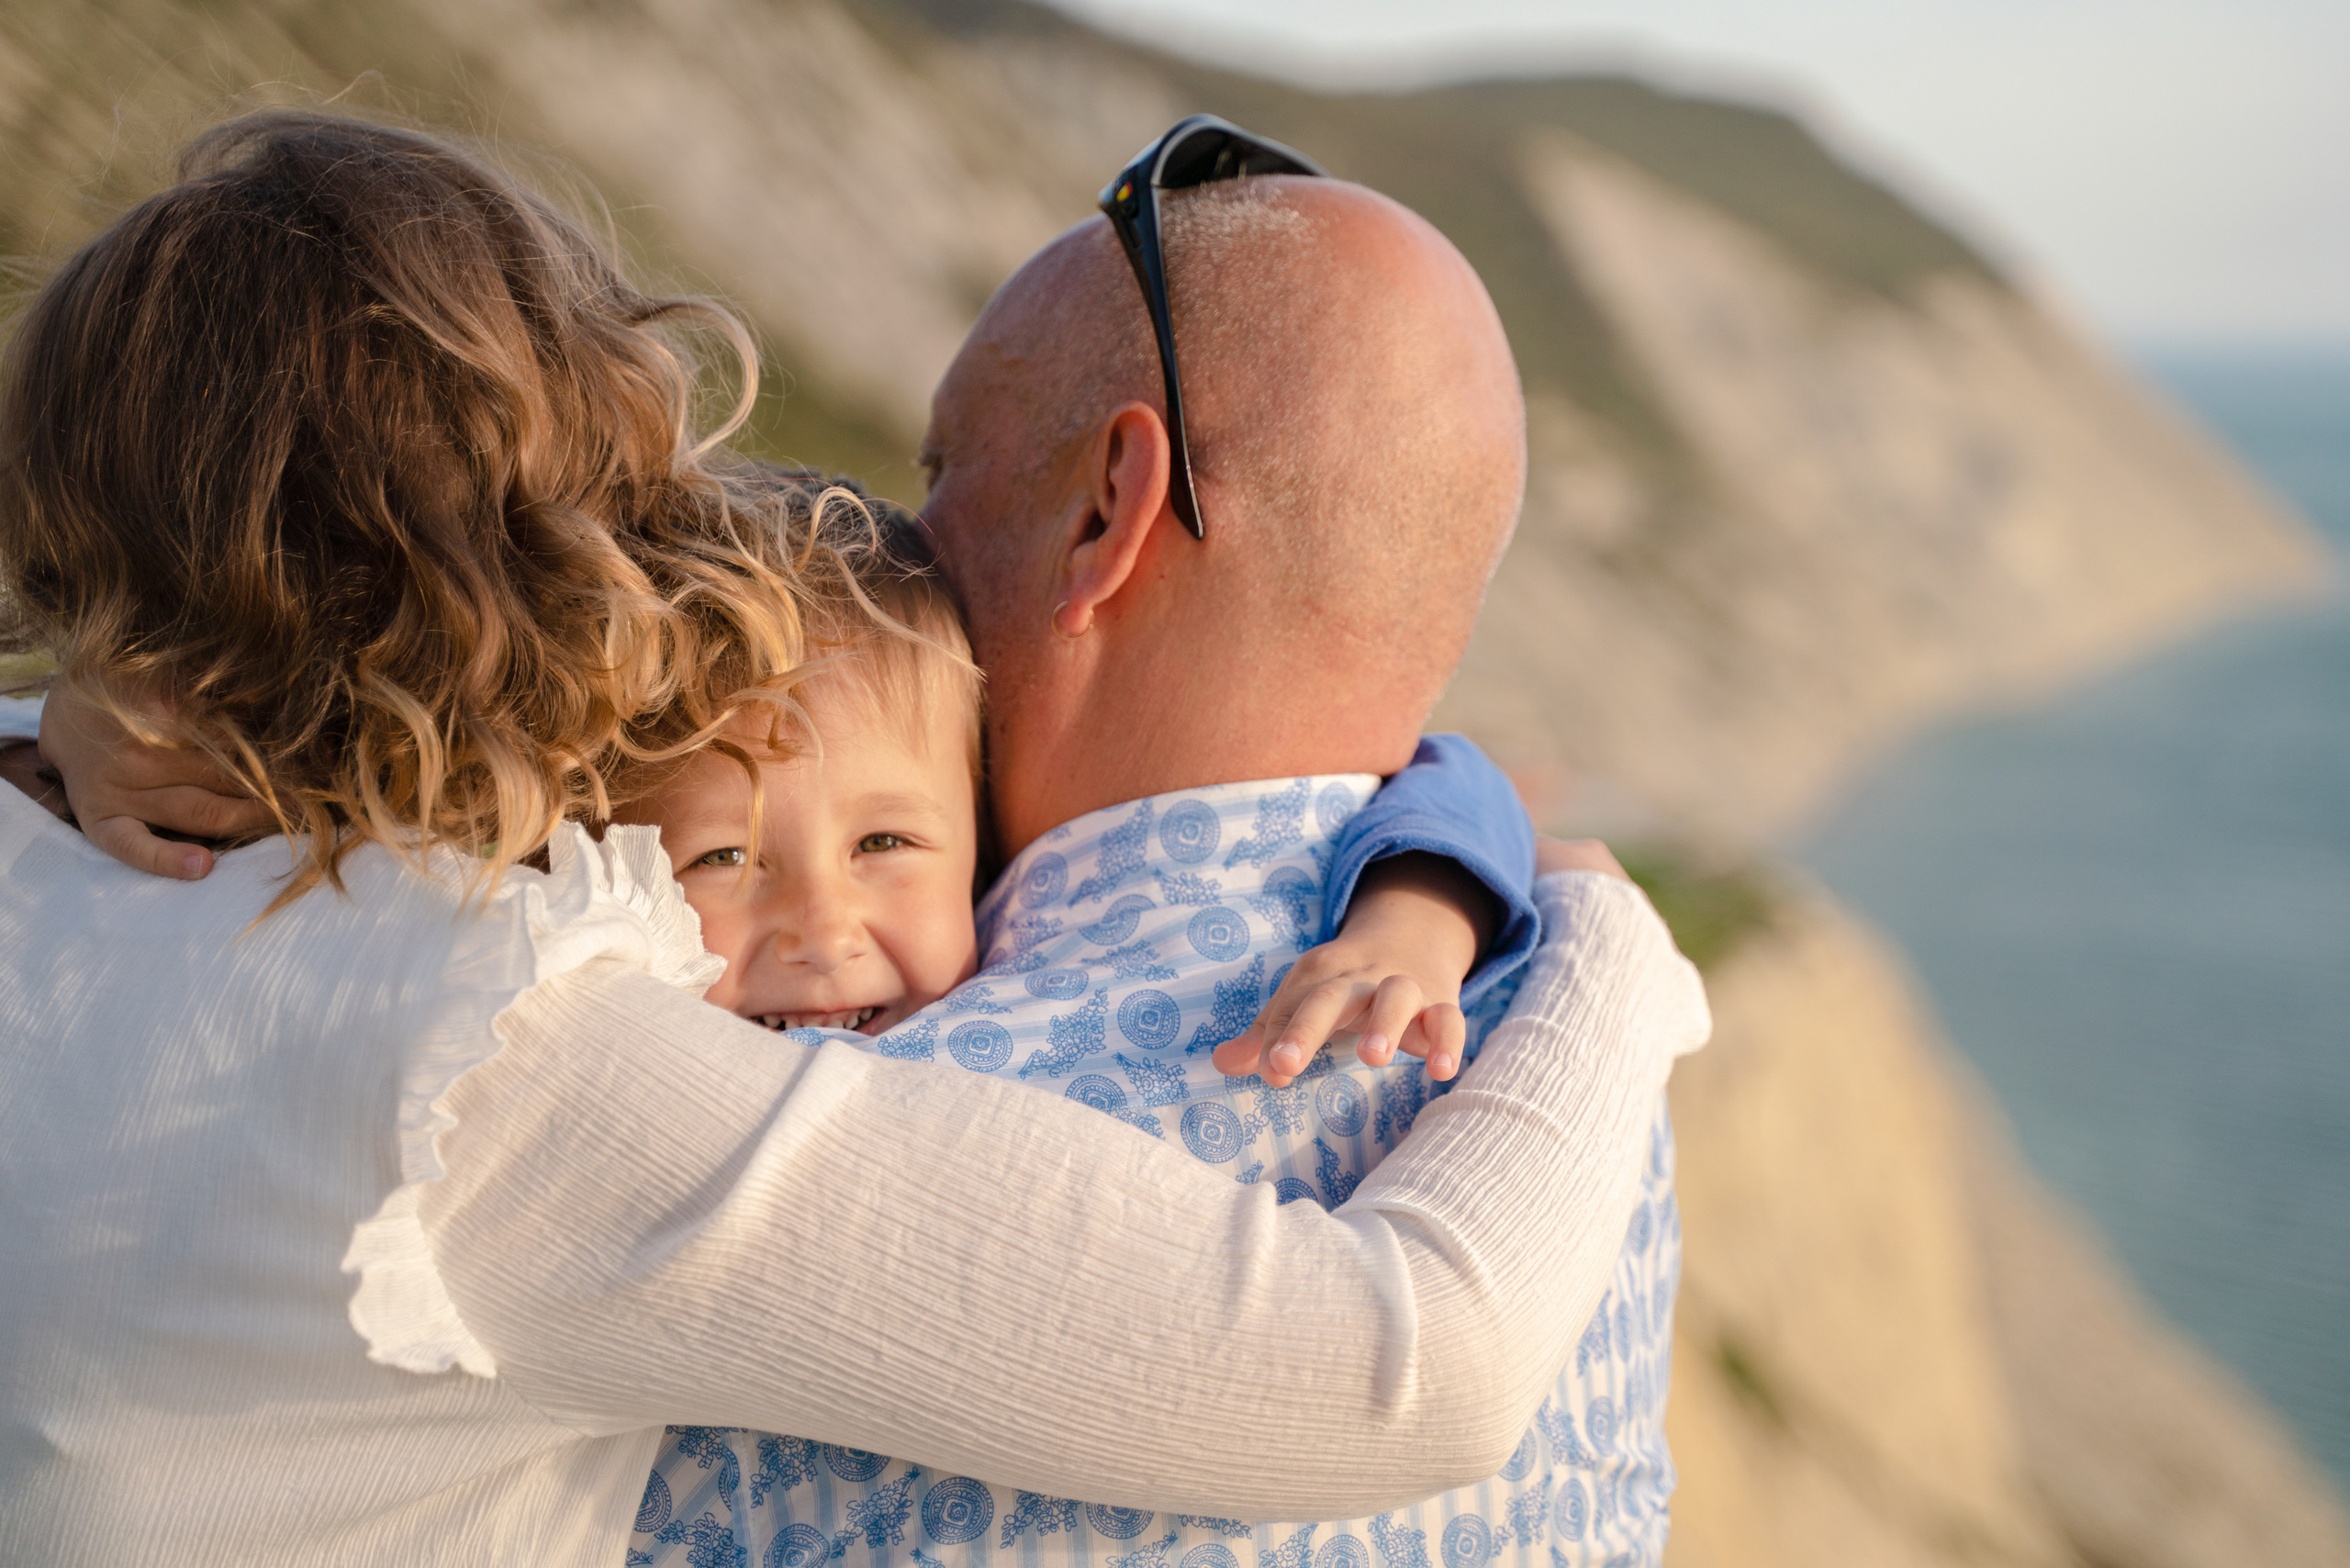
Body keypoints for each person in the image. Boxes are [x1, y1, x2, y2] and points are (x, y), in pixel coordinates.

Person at [0, 112, 1707, 1568]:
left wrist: (88, 698)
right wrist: (1613, 950)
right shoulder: (508, 1070)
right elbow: (1403, 1372)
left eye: (938, 466)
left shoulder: (73, 825)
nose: (905, 534)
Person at [616, 159, 1695, 1566]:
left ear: (1105, 512)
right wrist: (1585, 916)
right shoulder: (1561, 1038)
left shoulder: (780, 1150)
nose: (906, 548)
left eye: (942, 476)